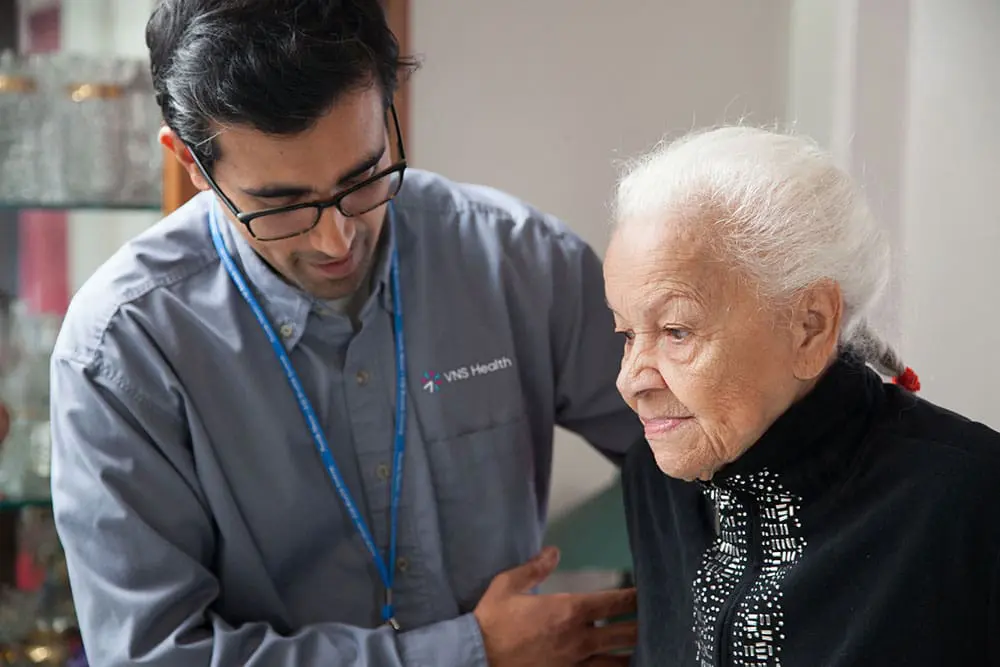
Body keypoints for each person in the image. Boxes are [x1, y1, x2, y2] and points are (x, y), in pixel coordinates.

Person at [48, 1, 642, 665]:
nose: (337, 239)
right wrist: (469, 651)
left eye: (363, 178)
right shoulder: (123, 350)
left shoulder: (522, 261)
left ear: (389, 106)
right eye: (281, 205)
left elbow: (702, 456)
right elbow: (152, 656)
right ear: (189, 159)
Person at [605, 126, 1000, 665]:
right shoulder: (656, 480)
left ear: (809, 326)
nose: (632, 380)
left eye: (677, 331)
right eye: (627, 333)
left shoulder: (970, 500)